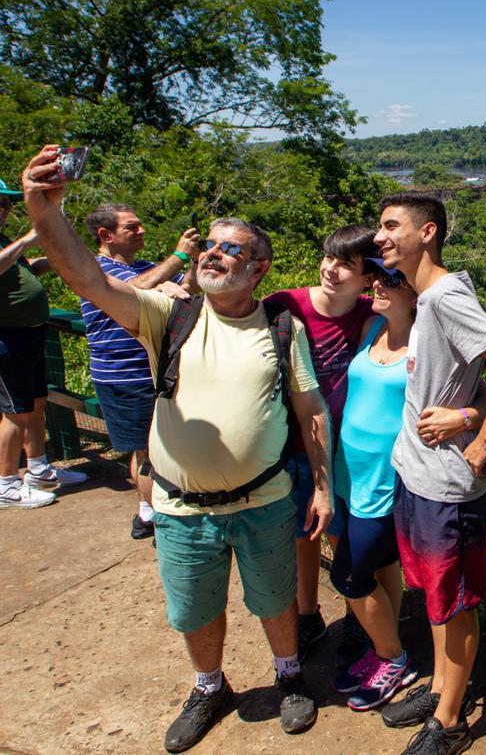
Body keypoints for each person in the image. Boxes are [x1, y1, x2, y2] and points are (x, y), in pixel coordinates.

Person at [21, 146, 330, 753]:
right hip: (183, 506)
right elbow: (87, 277)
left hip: (265, 499)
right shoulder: (170, 315)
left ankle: (289, 675)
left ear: (260, 267)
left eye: (230, 247)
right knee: (194, 610)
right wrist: (44, 210)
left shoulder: (281, 328)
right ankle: (209, 687)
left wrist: (322, 484)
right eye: (208, 245)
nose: (212, 253)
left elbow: (309, 409)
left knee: (275, 599)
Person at [373, 192, 486, 755]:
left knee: (457, 604)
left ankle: (451, 721)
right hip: (415, 475)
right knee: (436, 599)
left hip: (447, 487)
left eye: (392, 226)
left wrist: (483, 438)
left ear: (428, 232)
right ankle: (443, 687)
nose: (380, 236)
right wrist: (468, 410)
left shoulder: (445, 295)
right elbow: (476, 379)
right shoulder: (423, 298)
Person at [330, 257, 486, 713]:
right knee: (381, 570)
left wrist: (465, 419)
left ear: (414, 295)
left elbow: (480, 392)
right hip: (350, 478)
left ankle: (393, 660)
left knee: (348, 574)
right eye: (377, 278)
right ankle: (402, 659)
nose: (378, 285)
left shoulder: (429, 343)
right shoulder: (371, 329)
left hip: (391, 483)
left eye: (391, 280)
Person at [264, 225, 376, 660]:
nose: (331, 269)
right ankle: (308, 616)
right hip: (289, 443)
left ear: (368, 278)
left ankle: (358, 617)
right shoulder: (284, 305)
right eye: (329, 257)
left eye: (346, 264)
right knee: (302, 534)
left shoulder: (372, 314)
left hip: (343, 453)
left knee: (342, 538)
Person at [81, 202, 200, 538]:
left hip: (155, 373)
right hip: (124, 376)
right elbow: (136, 288)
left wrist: (191, 264)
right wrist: (177, 256)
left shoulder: (147, 267)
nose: (141, 231)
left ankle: (150, 513)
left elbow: (186, 289)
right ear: (106, 235)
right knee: (146, 452)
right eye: (131, 227)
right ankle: (155, 519)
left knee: (162, 447)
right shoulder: (97, 270)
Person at [1, 178, 88, 510]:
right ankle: (6, 484)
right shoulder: (10, 242)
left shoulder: (4, 239)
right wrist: (27, 240)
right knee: (14, 413)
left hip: (29, 333)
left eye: (8, 204)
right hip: (7, 337)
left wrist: (52, 258)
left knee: (36, 404)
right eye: (2, 204)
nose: (7, 210)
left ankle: (38, 470)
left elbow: (21, 268)